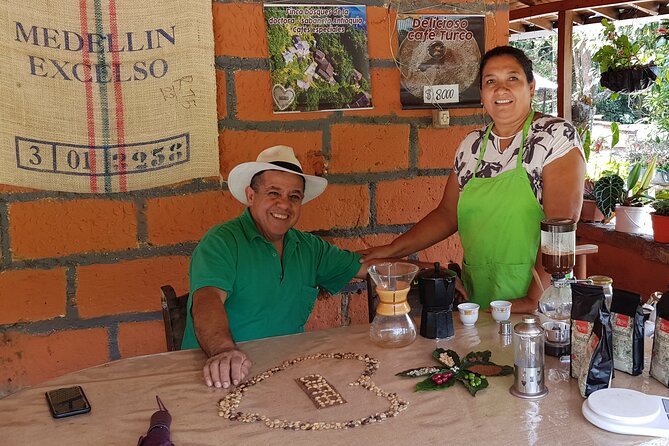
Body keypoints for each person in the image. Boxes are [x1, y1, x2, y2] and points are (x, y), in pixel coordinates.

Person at [361, 46, 585, 314]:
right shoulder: (472, 146)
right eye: (491, 81)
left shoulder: (555, 137)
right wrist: (393, 249)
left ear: (531, 87)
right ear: (481, 93)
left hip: (539, 301)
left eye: (512, 78)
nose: (501, 90)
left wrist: (535, 298)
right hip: (480, 296)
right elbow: (447, 214)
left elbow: (560, 226)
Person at [181, 145, 370, 389]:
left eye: (294, 196)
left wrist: (430, 269)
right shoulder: (221, 241)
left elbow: (369, 268)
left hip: (285, 372)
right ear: (251, 196)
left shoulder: (309, 247)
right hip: (220, 374)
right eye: (273, 193)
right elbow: (207, 300)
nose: (284, 205)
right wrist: (224, 351)